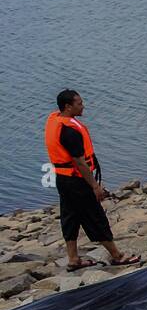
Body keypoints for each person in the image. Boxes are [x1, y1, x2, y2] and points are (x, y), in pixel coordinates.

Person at [44, 89, 140, 271]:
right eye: (79, 103)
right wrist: (95, 186)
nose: (83, 106)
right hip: (77, 183)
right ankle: (117, 256)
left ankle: (73, 259)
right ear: (67, 107)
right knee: (95, 217)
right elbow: (79, 163)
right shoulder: (69, 132)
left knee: (70, 217)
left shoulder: (56, 121)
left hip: (63, 181)